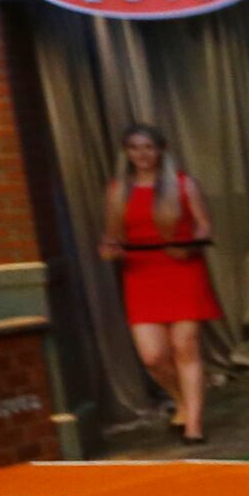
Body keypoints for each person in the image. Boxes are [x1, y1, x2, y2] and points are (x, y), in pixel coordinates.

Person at [101, 123, 217, 444]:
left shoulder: (182, 184)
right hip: (141, 274)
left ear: (161, 150)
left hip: (182, 270)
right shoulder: (117, 190)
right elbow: (110, 239)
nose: (142, 154)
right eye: (135, 148)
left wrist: (190, 245)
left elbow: (204, 227)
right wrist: (110, 251)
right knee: (153, 357)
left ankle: (194, 423)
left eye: (148, 147)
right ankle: (181, 399)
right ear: (126, 152)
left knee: (186, 347)